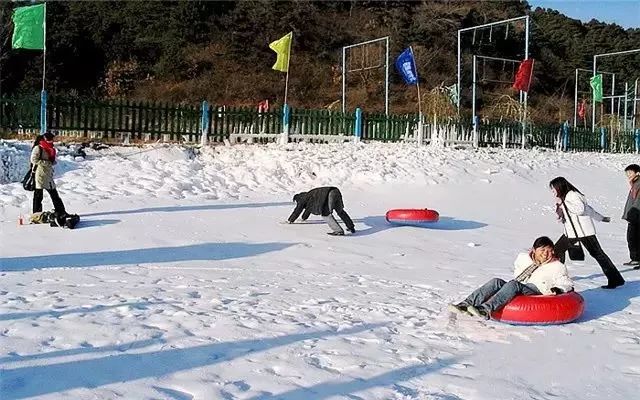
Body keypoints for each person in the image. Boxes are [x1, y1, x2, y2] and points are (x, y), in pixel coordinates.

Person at [449, 236, 574, 320]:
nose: (546, 253)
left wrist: (558, 289)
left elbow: (567, 283)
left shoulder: (557, 266)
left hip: (537, 292)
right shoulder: (524, 259)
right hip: (521, 286)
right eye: (543, 250)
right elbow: (518, 275)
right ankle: (465, 305)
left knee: (514, 284)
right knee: (496, 281)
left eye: (549, 250)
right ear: (534, 250)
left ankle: (485, 310)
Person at [550, 177, 625, 289]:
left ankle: (615, 279)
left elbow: (581, 209)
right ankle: (559, 277)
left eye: (553, 189)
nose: (553, 192)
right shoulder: (565, 197)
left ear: (559, 186)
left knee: (598, 254)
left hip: (583, 232)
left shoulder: (572, 195)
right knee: (557, 251)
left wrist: (564, 203)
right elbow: (586, 210)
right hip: (571, 232)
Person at [286, 186, 355, 236]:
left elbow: (297, 210)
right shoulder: (309, 196)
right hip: (335, 190)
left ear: (297, 198)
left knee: (326, 214)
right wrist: (304, 218)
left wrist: (290, 220)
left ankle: (338, 231)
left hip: (329, 194)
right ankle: (351, 227)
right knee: (340, 211)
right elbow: (308, 209)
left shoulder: (301, 199)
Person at [31, 132, 67, 216]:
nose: (52, 141)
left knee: (54, 194)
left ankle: (61, 211)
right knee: (38, 195)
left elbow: (51, 160)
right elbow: (33, 160)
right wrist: (47, 163)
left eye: (52, 140)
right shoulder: (38, 148)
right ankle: (37, 214)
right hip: (39, 173)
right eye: (51, 139)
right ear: (46, 139)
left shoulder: (51, 148)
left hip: (48, 174)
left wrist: (52, 162)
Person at [622, 164, 640, 268]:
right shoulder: (635, 184)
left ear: (637, 173)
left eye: (630, 172)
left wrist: (632, 215)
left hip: (636, 215)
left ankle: (636, 258)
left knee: (633, 237)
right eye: (627, 173)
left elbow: (637, 201)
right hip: (635, 215)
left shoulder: (638, 184)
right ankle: (636, 258)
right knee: (633, 237)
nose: (628, 175)